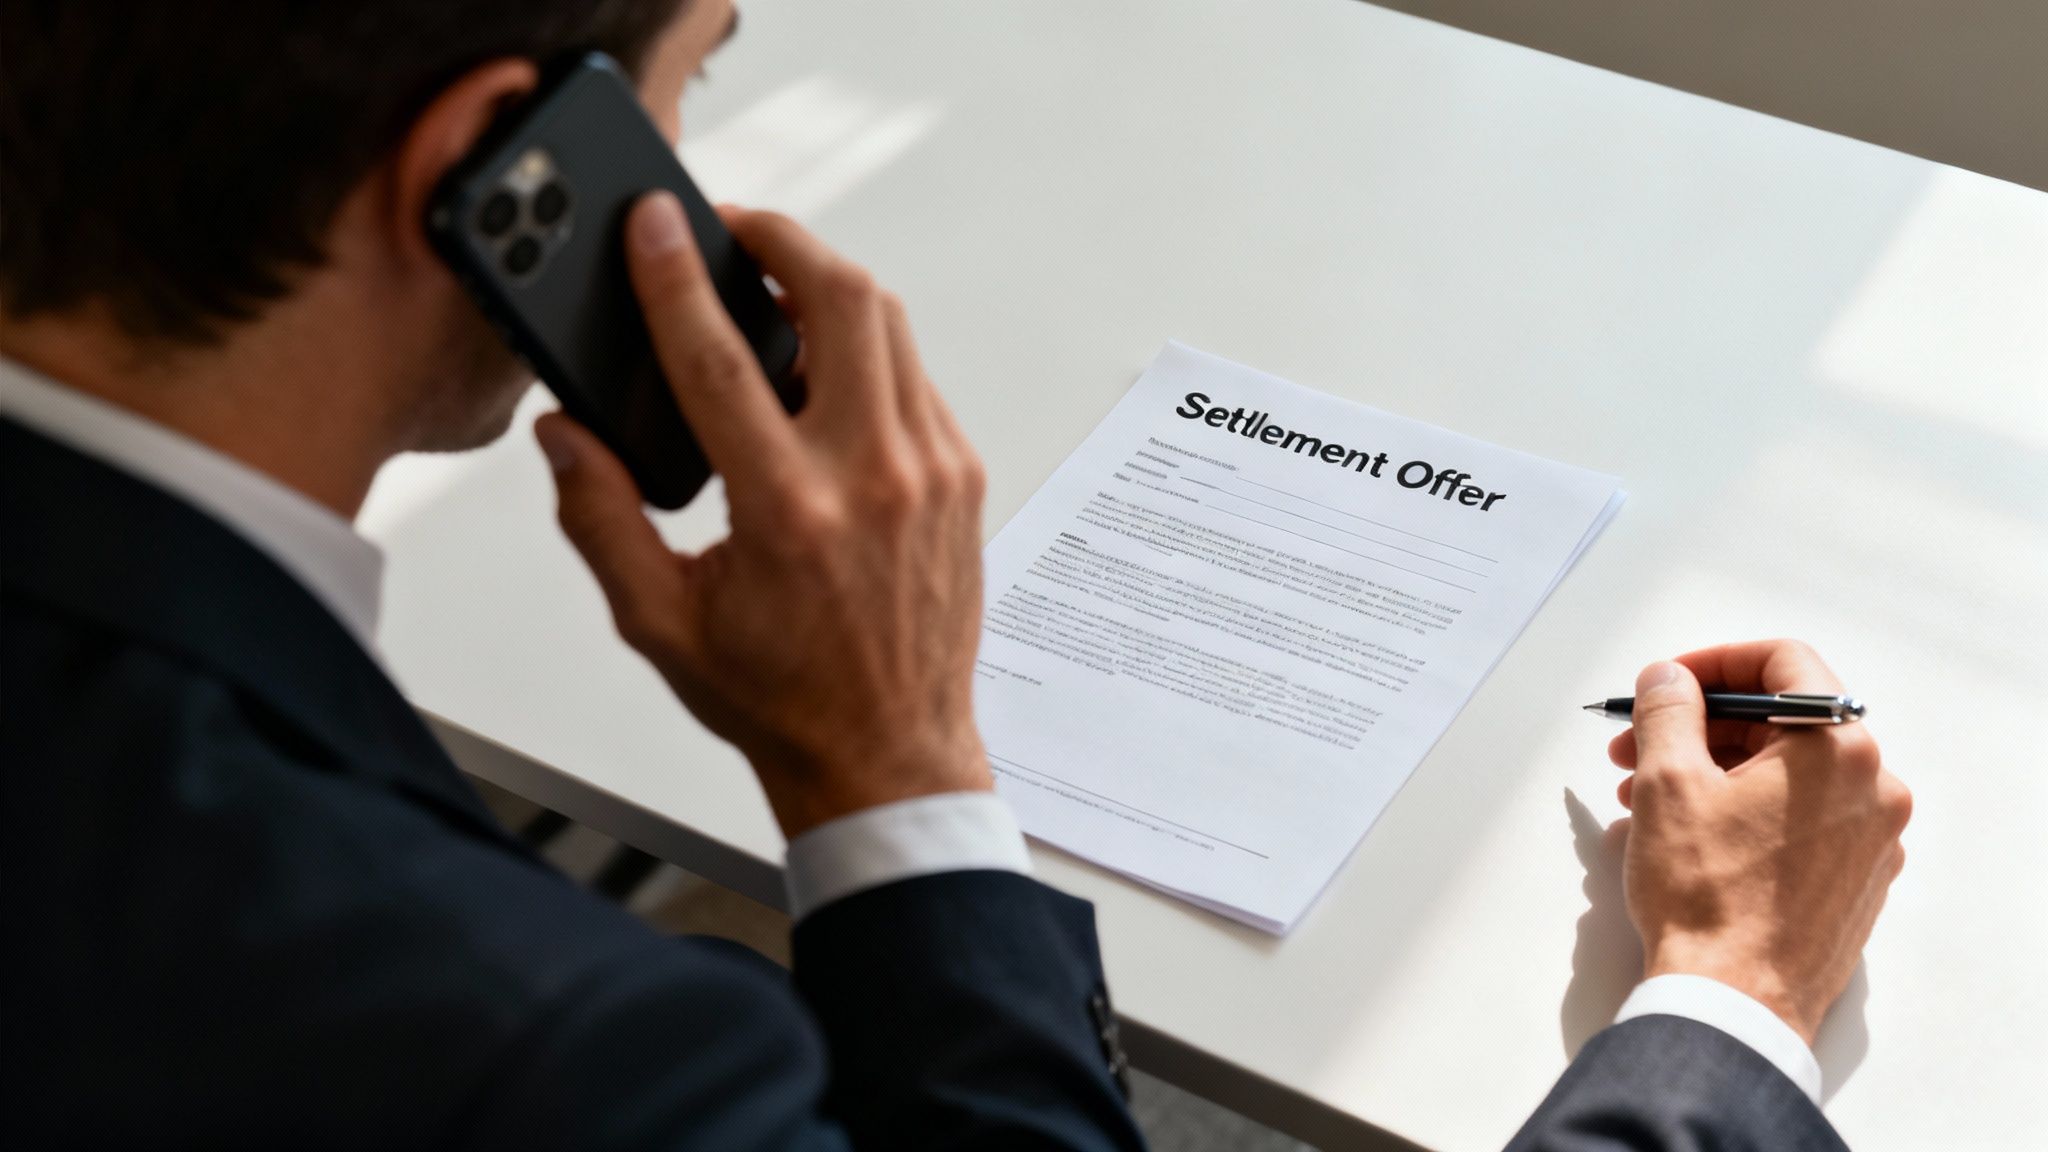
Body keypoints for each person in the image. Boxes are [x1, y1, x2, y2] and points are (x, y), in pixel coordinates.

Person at [0, 1, 1909, 1148]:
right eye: (683, 80)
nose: (684, 153)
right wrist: (1733, 1001)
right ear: (491, 172)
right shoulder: (546, 1052)